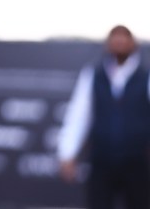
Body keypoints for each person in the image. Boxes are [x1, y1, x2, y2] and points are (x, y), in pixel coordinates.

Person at [57, 25, 150, 209]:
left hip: (137, 161)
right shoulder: (93, 75)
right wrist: (67, 152)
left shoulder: (145, 76)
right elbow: (79, 115)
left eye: (124, 37)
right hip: (102, 160)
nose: (120, 42)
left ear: (133, 44)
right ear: (108, 44)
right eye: (115, 38)